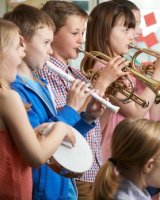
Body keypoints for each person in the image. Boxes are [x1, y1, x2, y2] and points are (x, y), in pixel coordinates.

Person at [4, 4, 104, 200]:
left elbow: (61, 140)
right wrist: (70, 109)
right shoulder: (16, 91)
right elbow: (41, 146)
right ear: (23, 43)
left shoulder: (39, 84)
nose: (50, 51)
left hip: (60, 189)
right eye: (46, 43)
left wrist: (86, 119)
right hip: (41, 191)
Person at [37, 1, 128, 199]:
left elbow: (94, 129)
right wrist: (102, 83)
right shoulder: (44, 74)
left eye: (83, 33)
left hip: (95, 168)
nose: (81, 40)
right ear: (51, 34)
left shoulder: (77, 75)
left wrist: (93, 114)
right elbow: (58, 125)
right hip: (73, 173)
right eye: (75, 33)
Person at [83, 1, 160, 162]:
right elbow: (135, 112)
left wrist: (159, 77)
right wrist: (159, 73)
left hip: (132, 148)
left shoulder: (123, 65)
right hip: (116, 155)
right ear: (105, 32)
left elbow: (152, 115)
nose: (132, 35)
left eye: (132, 29)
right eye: (125, 30)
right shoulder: (103, 66)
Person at [0, 18, 75, 200]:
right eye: (18, 46)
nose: (23, 52)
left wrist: (36, 131)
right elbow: (36, 156)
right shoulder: (7, 97)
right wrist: (62, 126)